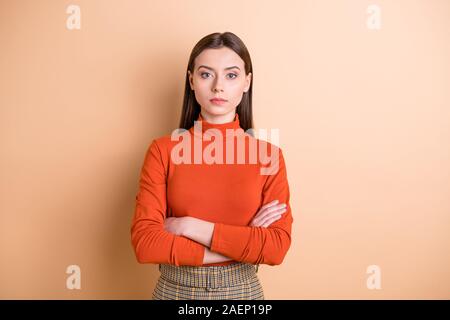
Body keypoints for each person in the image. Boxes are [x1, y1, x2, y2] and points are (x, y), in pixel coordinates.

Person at [130, 31, 294, 300]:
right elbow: (146, 244)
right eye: (206, 74)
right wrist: (245, 241)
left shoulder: (269, 156)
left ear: (246, 82)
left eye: (231, 75)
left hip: (243, 295)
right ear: (191, 81)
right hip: (175, 292)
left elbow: (275, 248)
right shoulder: (163, 151)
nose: (218, 86)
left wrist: (188, 225)